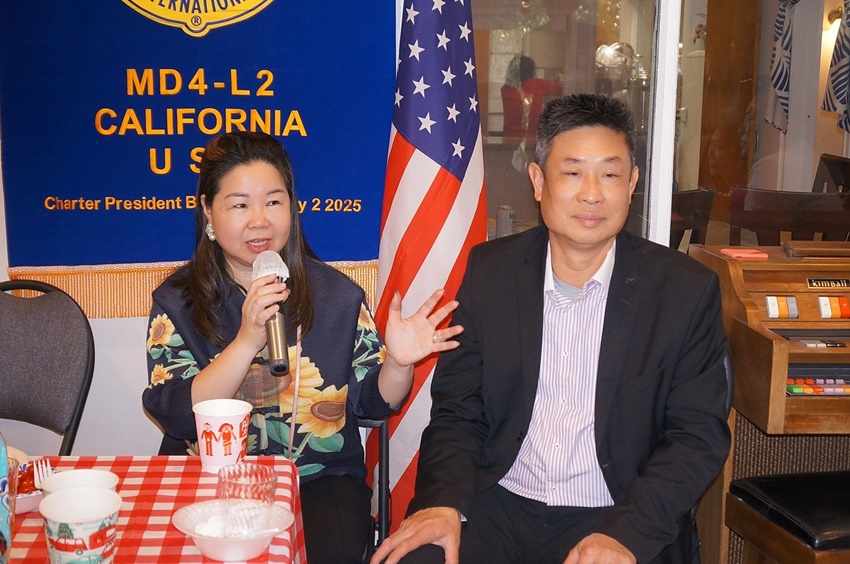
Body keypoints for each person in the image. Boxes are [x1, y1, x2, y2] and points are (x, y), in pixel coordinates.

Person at [372, 93, 731, 564]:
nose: (592, 194)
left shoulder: (684, 291)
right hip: (500, 500)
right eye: (573, 172)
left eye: (610, 175)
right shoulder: (491, 273)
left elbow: (696, 436)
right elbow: (459, 411)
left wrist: (626, 534)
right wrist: (443, 503)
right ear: (539, 181)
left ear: (632, 184)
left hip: (616, 509)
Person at [142, 130, 462, 564]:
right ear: (208, 213)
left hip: (318, 481)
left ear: (292, 207)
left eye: (273, 202)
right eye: (239, 205)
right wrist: (247, 340)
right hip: (209, 478)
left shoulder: (338, 297)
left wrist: (399, 365)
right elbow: (177, 416)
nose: (260, 221)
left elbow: (372, 403)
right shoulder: (177, 302)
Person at [501, 55, 562, 143]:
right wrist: (560, 78)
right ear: (531, 70)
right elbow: (559, 89)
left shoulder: (505, 90)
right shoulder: (538, 84)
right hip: (531, 138)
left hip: (510, 138)